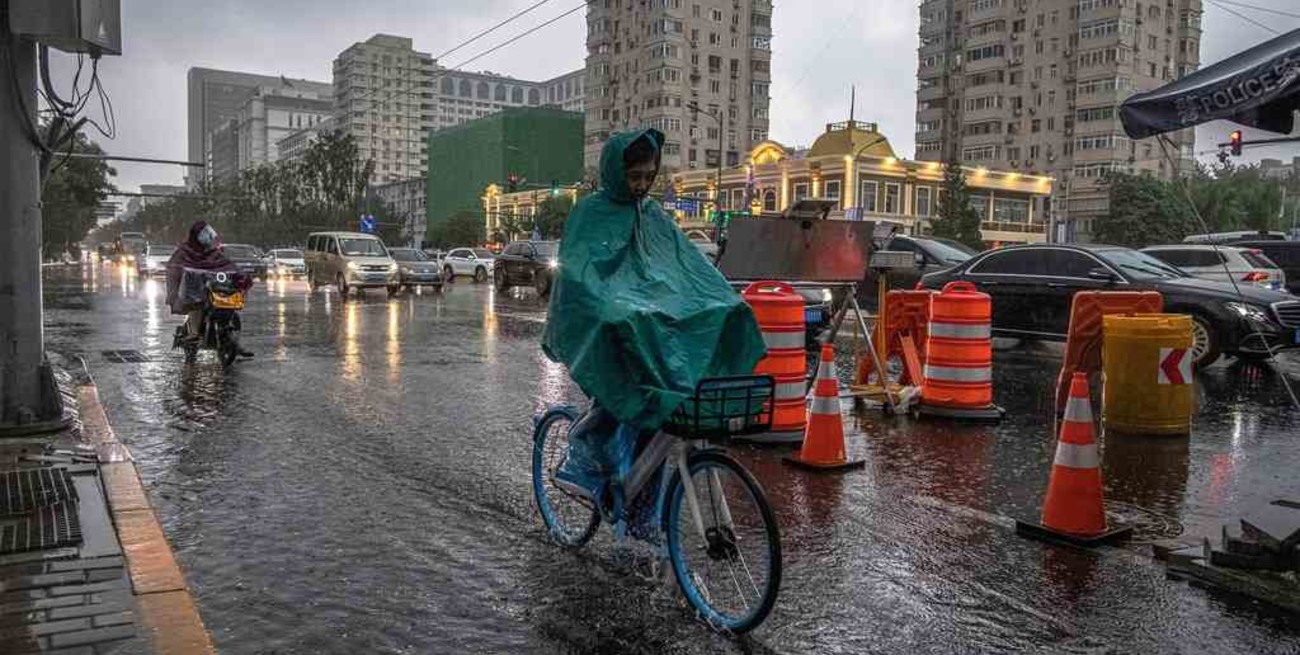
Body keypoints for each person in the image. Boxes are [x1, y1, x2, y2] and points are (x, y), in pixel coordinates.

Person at [542, 129, 767, 495]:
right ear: (615, 172)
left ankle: (641, 505)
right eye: (634, 177)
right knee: (621, 388)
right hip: (601, 320)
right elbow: (580, 271)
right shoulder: (590, 212)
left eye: (649, 176)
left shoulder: (653, 214)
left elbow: (687, 265)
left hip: (645, 312)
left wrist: (723, 297)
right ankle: (582, 456)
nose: (642, 185)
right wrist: (614, 305)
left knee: (668, 392)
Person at [165, 221, 254, 356]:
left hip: (214, 288)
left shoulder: (213, 252)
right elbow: (174, 266)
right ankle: (194, 332)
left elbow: (227, 264)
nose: (208, 237)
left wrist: (241, 275)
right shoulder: (185, 251)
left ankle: (233, 342)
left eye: (209, 233)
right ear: (197, 235)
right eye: (204, 234)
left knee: (230, 304)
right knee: (197, 303)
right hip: (196, 293)